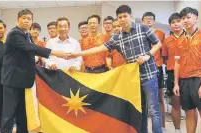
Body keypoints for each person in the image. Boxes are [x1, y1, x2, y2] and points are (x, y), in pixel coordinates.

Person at [69, 5, 163, 133]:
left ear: (131, 16)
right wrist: (77, 54)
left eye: (125, 16)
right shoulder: (117, 37)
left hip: (149, 76)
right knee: (140, 110)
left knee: (153, 111)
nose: (123, 19)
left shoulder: (143, 28)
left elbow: (158, 43)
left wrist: (148, 55)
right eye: (120, 17)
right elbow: (98, 49)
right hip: (133, 79)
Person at [0, 9, 68, 133]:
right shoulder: (14, 34)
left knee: (22, 112)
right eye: (24, 18)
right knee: (9, 114)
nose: (27, 21)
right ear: (18, 19)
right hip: (12, 80)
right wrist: (52, 52)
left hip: (24, 80)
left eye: (29, 19)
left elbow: (28, 52)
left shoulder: (27, 34)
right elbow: (29, 47)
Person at [173, 7, 201, 133]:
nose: (185, 20)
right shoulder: (180, 40)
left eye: (188, 17)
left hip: (200, 79)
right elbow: (177, 63)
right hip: (184, 81)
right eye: (183, 18)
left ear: (196, 19)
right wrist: (176, 83)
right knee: (189, 113)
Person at [142, 12, 166, 132]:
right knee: (144, 101)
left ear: (154, 21)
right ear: (142, 22)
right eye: (146, 19)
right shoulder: (140, 34)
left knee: (158, 99)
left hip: (157, 67)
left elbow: (164, 53)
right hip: (143, 69)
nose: (149, 21)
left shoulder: (161, 34)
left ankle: (162, 127)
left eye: (151, 19)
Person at [162, 13, 184, 133]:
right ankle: (177, 130)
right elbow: (164, 57)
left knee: (191, 105)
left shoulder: (189, 37)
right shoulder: (167, 40)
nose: (176, 24)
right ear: (170, 25)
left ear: (182, 22)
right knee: (175, 103)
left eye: (178, 21)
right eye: (173, 22)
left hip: (189, 73)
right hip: (171, 73)